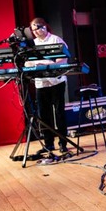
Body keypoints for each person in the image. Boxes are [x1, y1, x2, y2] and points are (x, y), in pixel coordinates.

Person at [25, 17, 70, 154]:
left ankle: (63, 143)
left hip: (56, 81)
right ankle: (48, 144)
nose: (35, 32)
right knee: (44, 115)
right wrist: (34, 64)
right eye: (33, 30)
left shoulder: (56, 40)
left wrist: (43, 64)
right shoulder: (33, 43)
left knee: (59, 113)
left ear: (44, 27)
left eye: (37, 28)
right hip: (41, 83)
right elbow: (27, 62)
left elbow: (62, 60)